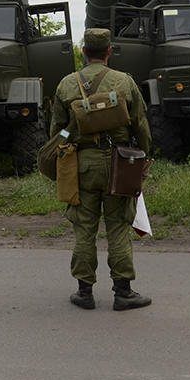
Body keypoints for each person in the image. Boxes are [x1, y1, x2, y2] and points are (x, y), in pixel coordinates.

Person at [50, 27, 154, 311]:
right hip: (120, 163)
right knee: (119, 227)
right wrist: (143, 157)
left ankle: (84, 293)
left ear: (84, 52)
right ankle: (123, 293)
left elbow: (58, 132)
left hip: (81, 166)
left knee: (84, 229)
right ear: (109, 51)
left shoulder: (66, 85)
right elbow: (140, 126)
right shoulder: (125, 82)